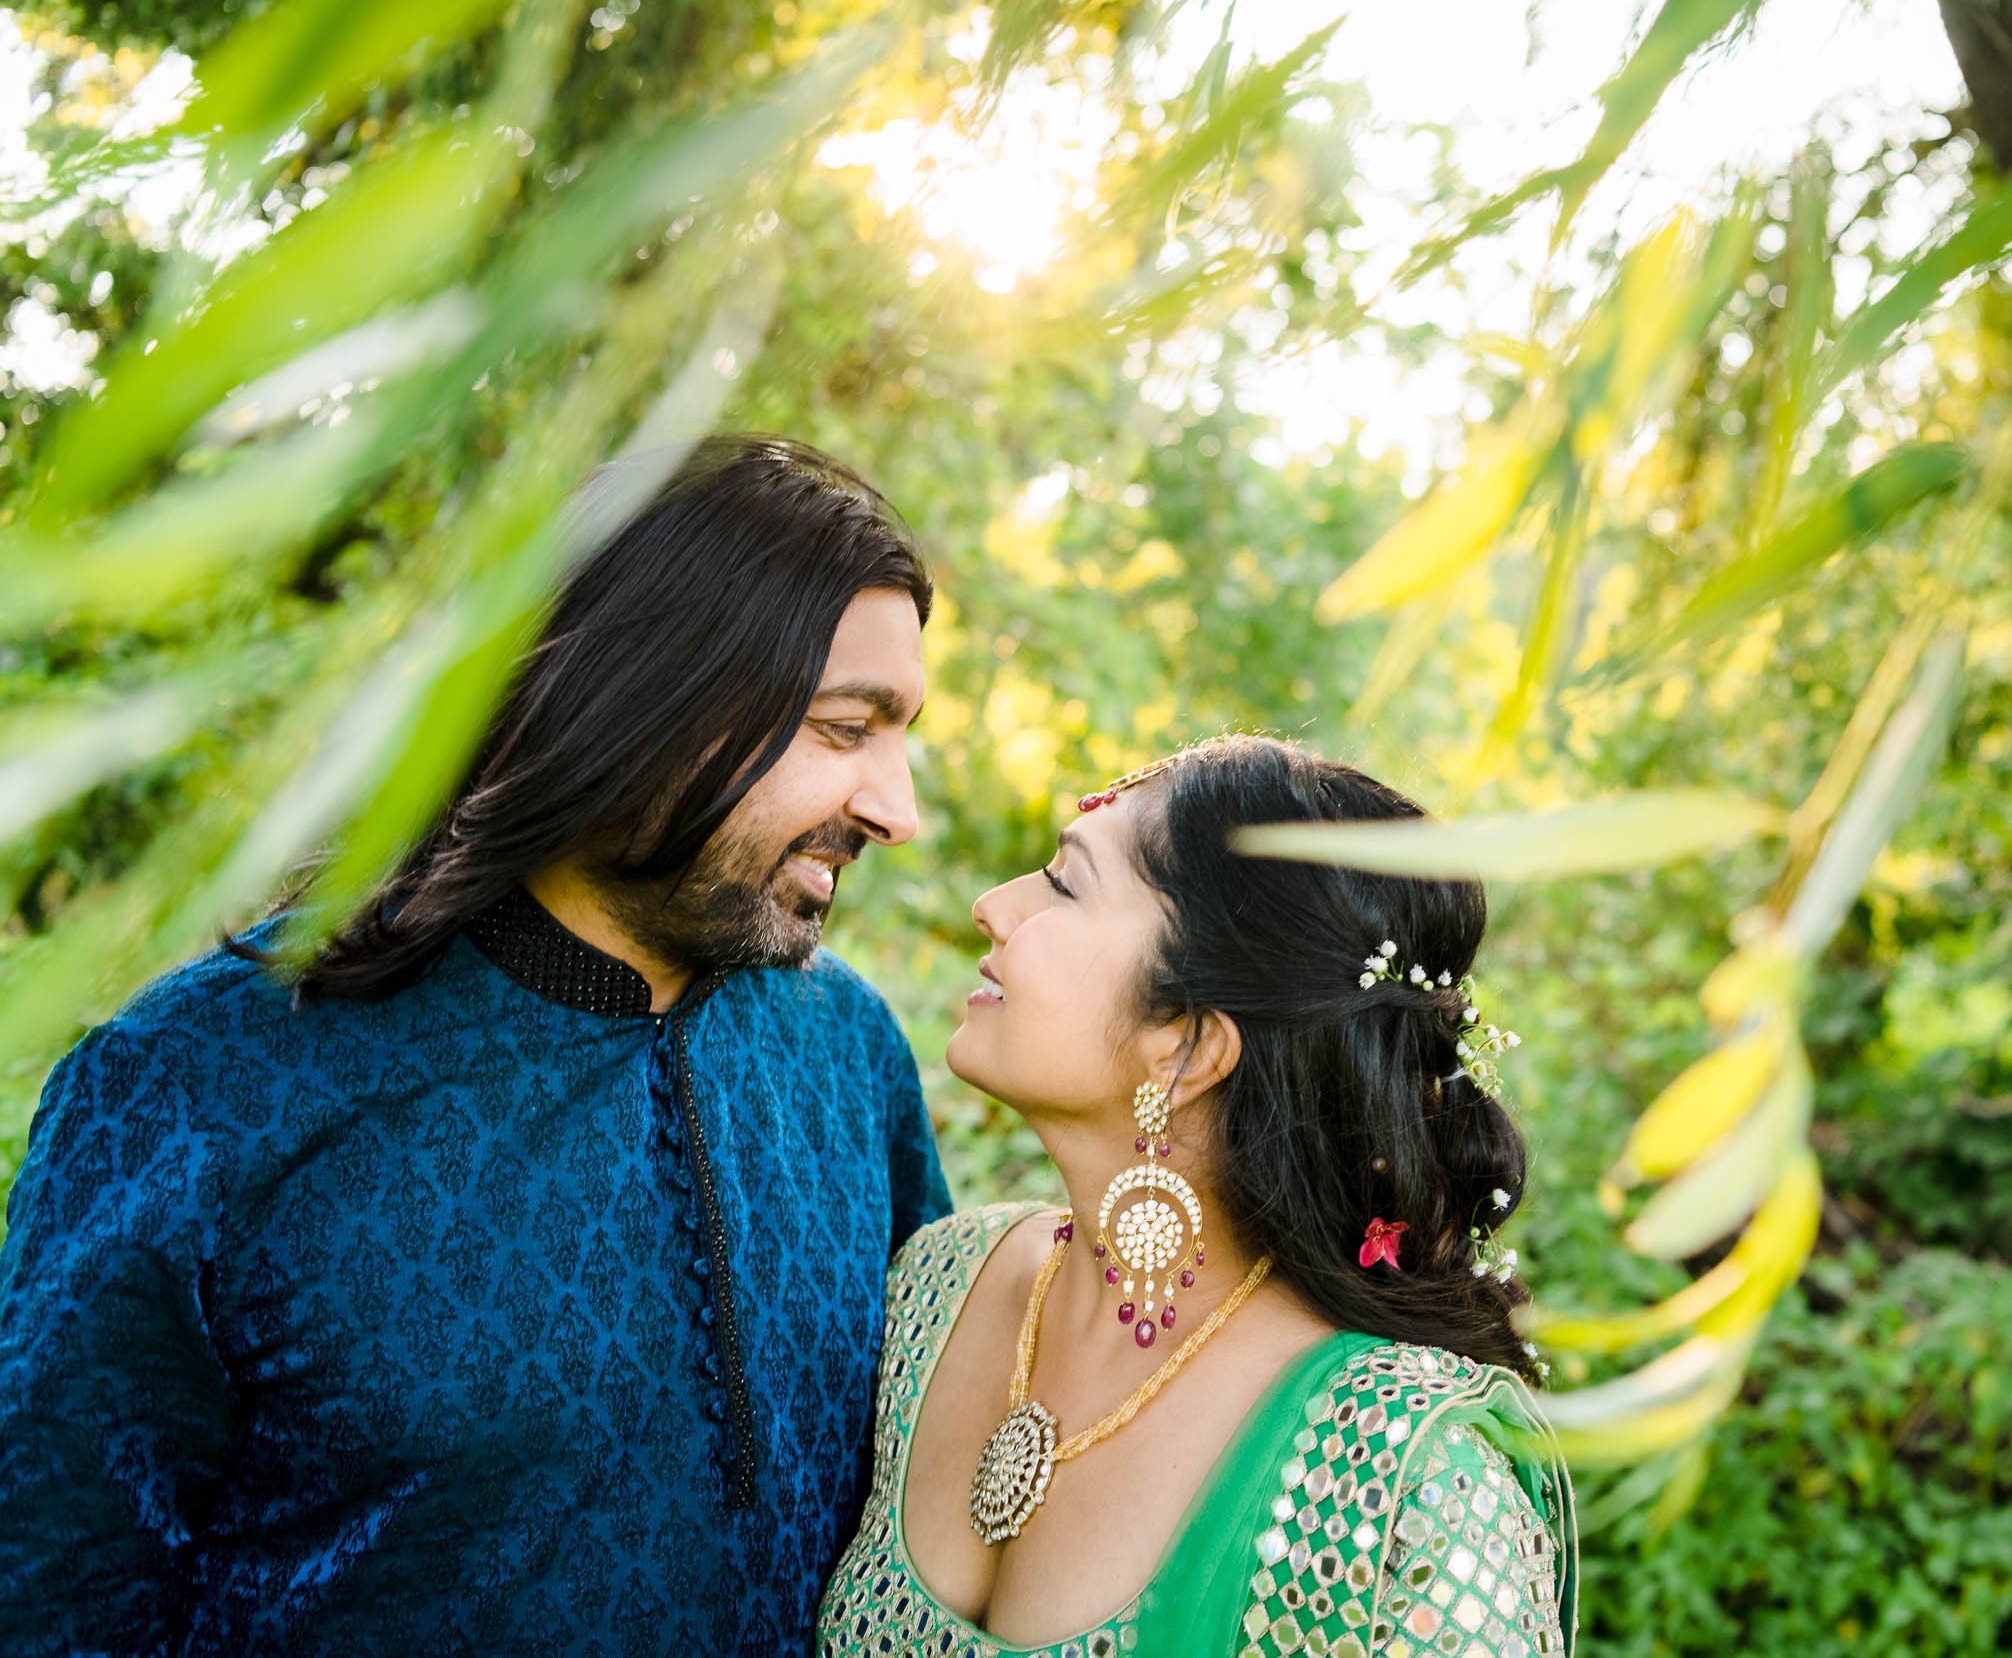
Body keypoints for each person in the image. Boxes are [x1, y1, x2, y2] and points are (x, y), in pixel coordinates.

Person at [0, 435, 952, 1656]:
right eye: (843, 729)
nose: (897, 806)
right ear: (641, 699)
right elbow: (54, 1601)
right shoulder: (200, 1084)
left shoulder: (850, 1053)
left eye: (900, 733)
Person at [816, 734, 1576, 1657]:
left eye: (1063, 884)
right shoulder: (939, 1280)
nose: (992, 907)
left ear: (1185, 1047)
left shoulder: (1397, 1480)